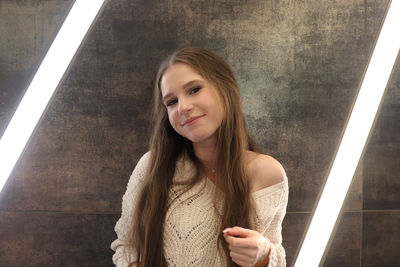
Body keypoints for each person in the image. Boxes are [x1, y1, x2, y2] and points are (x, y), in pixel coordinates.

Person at [111, 47, 288, 267]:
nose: (183, 107)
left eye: (194, 89)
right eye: (171, 102)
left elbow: (275, 254)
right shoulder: (152, 166)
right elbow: (128, 245)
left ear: (226, 88)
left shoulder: (267, 172)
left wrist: (264, 253)